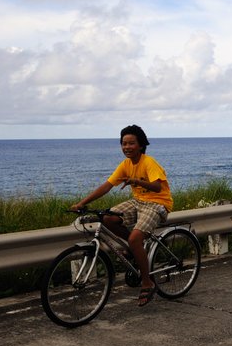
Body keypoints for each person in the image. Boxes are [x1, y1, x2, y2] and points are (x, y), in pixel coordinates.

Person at [71, 125, 173, 307]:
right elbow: (107, 186)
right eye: (124, 143)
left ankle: (147, 282)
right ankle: (136, 247)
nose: (127, 147)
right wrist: (82, 203)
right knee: (108, 218)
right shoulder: (126, 165)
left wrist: (135, 181)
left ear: (141, 145)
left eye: (131, 143)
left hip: (158, 204)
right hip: (138, 202)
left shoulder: (149, 162)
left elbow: (158, 187)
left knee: (134, 239)